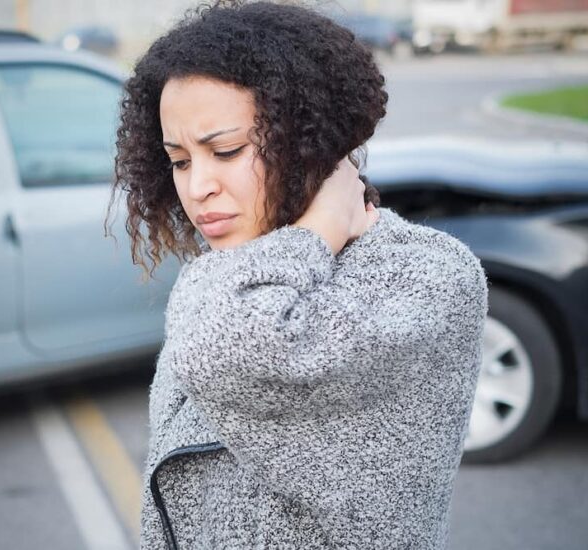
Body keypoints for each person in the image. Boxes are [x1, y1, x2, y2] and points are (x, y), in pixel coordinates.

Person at [111, 2, 488, 548]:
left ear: (309, 139)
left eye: (226, 150)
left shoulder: (428, 275)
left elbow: (227, 347)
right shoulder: (244, 267)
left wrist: (322, 227)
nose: (197, 188)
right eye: (181, 160)